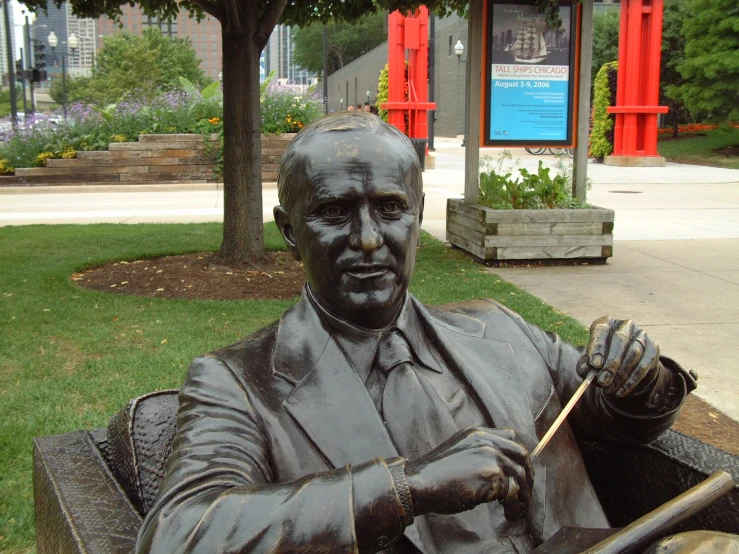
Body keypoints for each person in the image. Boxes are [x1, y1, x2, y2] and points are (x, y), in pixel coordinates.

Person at [137, 112, 702, 554]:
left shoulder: (498, 328)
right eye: (334, 212)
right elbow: (180, 534)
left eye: (389, 208)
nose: (366, 239)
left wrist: (640, 377)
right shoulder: (240, 381)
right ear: (289, 229)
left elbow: (614, 413)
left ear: (418, 213)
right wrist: (407, 486)